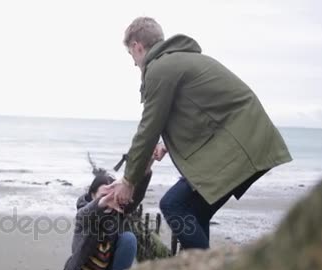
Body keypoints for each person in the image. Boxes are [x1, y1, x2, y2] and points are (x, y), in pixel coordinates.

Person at [106, 17, 292, 250]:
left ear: (137, 46)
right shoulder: (178, 61)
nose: (134, 63)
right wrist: (165, 145)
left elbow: (148, 129)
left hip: (243, 141)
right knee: (194, 213)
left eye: (131, 55)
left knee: (174, 205)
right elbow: (199, 113)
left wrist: (129, 180)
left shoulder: (160, 68)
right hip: (250, 138)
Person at [60, 157, 154, 270]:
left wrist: (147, 166)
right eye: (104, 195)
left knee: (128, 238)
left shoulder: (117, 211)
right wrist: (101, 203)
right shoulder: (85, 214)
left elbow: (136, 195)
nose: (110, 198)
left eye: (113, 194)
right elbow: (83, 216)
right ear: (92, 195)